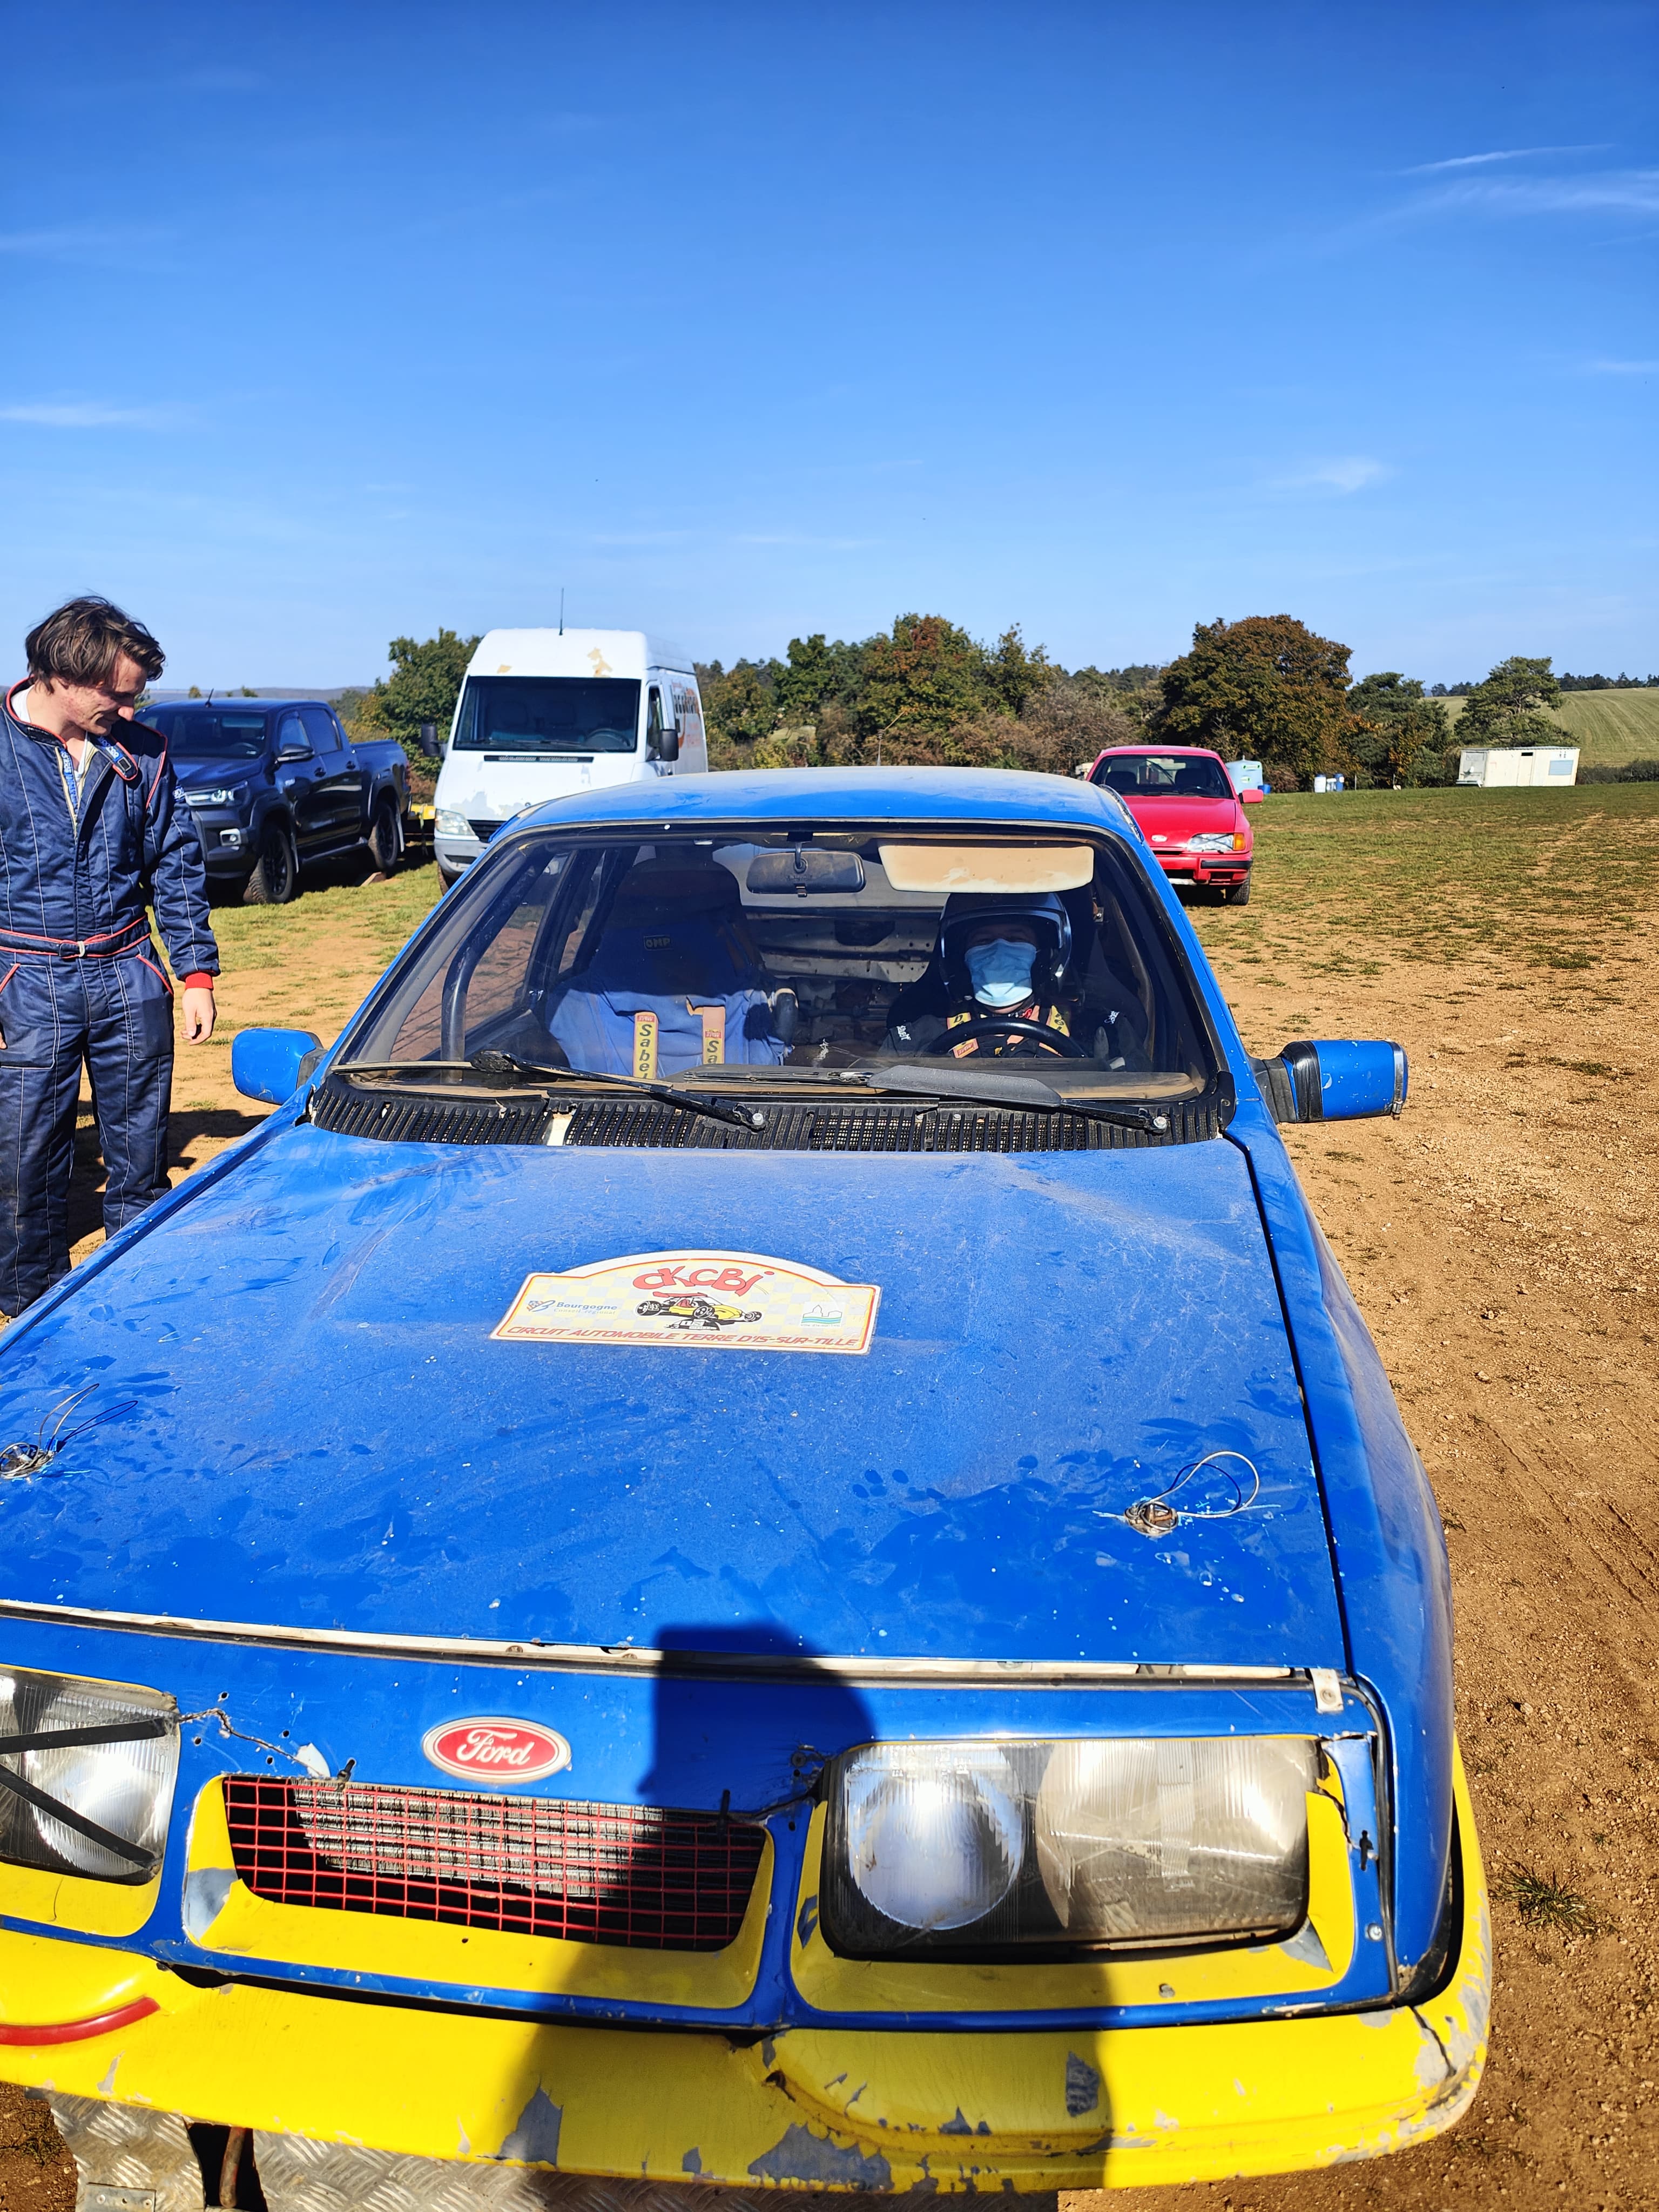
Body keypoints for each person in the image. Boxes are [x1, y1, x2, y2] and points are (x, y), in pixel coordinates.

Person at [0, 597, 219, 1315]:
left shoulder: (143, 753)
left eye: (136, 694)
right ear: (61, 675)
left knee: (140, 1151)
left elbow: (177, 864)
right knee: (27, 1160)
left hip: (131, 973)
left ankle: (136, 1294)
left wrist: (193, 975)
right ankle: (32, 1305)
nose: (128, 708)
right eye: (116, 693)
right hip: (27, 978)